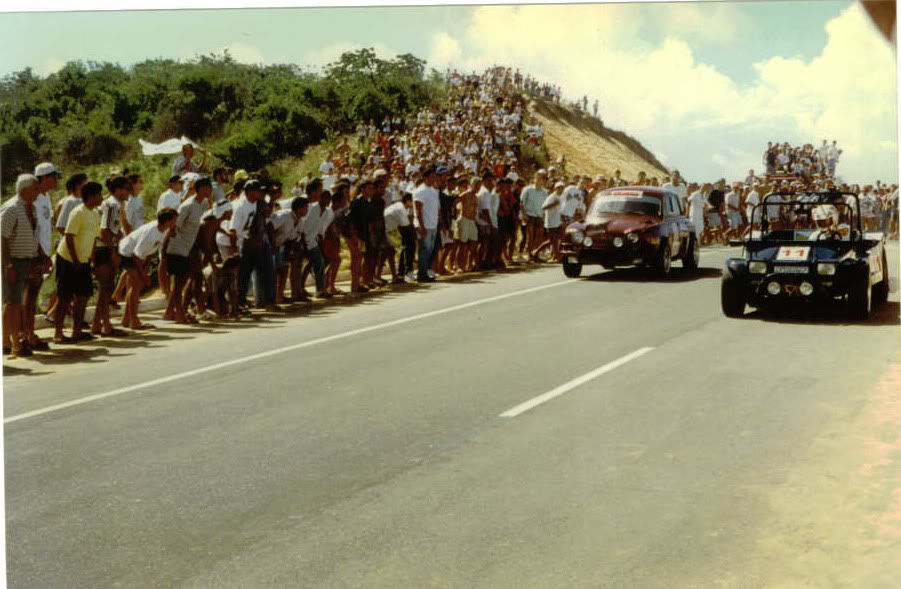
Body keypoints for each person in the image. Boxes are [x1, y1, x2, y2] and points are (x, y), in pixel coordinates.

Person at [52, 181, 104, 345]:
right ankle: (58, 334)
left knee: (83, 296)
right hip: (68, 259)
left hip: (83, 260)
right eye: (99, 194)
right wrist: (74, 260)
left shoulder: (95, 213)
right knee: (65, 297)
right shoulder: (78, 212)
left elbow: (94, 238)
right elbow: (68, 236)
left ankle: (77, 331)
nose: (101, 198)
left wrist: (92, 260)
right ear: (91, 196)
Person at [118, 209, 178, 330]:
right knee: (135, 286)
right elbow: (136, 255)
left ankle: (126, 319)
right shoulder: (151, 233)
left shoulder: (163, 230)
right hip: (127, 253)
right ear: (167, 221)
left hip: (139, 256)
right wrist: (143, 276)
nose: (176, 222)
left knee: (135, 285)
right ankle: (134, 321)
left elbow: (151, 251)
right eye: (174, 220)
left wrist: (146, 268)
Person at [2, 175, 42, 357]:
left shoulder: (31, 209)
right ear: (24, 189)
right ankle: (12, 343)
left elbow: (33, 236)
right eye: (35, 189)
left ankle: (9, 341)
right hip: (14, 261)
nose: (38, 193)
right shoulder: (12, 208)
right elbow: (1, 237)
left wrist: (38, 256)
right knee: (13, 303)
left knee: (16, 302)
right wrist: (8, 264)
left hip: (26, 260)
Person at [91, 175, 130, 337]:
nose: (129, 192)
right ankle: (106, 326)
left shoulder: (115, 204)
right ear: (119, 190)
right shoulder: (112, 204)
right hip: (104, 249)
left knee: (105, 288)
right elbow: (104, 230)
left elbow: (114, 228)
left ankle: (97, 324)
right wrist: (113, 251)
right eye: (127, 189)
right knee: (105, 289)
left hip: (106, 247)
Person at [414, 166, 441, 282]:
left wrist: (438, 220)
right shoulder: (420, 191)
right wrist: (421, 226)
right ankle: (422, 274)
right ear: (425, 178)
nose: (434, 178)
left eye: (435, 176)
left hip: (433, 225)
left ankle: (427, 272)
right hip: (424, 225)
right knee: (424, 250)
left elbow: (437, 208)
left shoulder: (434, 191)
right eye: (431, 176)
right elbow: (418, 210)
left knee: (430, 250)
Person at [531, 181, 565, 261]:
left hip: (557, 222)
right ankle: (555, 256)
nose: (561, 190)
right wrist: (553, 204)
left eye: (562, 188)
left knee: (557, 239)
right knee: (553, 240)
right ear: (555, 188)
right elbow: (544, 207)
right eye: (559, 188)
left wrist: (562, 220)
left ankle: (556, 256)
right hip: (551, 222)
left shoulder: (560, 197)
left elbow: (559, 210)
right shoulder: (552, 197)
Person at [519, 170, 548, 257]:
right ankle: (527, 253)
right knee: (530, 237)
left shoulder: (544, 192)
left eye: (541, 178)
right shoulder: (527, 190)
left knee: (539, 237)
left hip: (539, 216)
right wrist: (523, 214)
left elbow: (545, 204)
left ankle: (535, 253)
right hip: (529, 215)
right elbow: (521, 203)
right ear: (534, 178)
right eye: (538, 178)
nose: (539, 180)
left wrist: (544, 216)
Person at [453, 176, 479, 272]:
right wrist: (456, 214)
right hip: (464, 219)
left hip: (472, 221)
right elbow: (455, 201)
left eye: (479, 186)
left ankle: (469, 264)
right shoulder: (465, 194)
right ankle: (460, 266)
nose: (478, 188)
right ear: (472, 185)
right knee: (462, 244)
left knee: (474, 243)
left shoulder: (476, 197)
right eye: (476, 185)